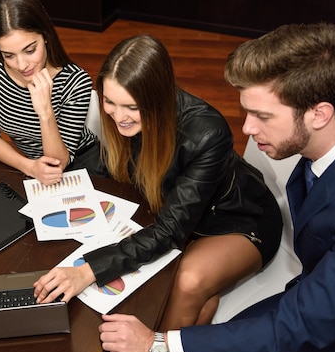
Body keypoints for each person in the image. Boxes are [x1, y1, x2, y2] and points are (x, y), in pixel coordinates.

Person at [97, 22, 335, 352]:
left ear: (320, 114)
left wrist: (157, 346)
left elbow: (295, 327)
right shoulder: (315, 158)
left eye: (262, 116)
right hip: (310, 301)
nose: (245, 128)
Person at [35, 35, 282, 334]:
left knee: (187, 281)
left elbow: (170, 230)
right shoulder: (127, 117)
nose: (118, 116)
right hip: (184, 216)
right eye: (109, 102)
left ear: (156, 98)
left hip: (236, 219)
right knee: (194, 299)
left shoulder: (208, 133)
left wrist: (88, 271)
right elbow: (108, 164)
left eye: (131, 107)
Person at [0, 0, 104, 186]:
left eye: (30, 50)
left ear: (45, 36)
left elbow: (58, 163)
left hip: (81, 162)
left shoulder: (76, 81)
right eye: (8, 55)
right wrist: (29, 166)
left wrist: (44, 111)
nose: (21, 65)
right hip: (32, 167)